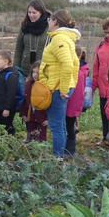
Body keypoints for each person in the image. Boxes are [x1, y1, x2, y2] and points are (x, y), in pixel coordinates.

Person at [39, 9, 80, 158]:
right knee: (60, 124)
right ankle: (60, 156)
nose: (48, 22)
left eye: (50, 20)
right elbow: (75, 64)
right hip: (59, 87)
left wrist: (63, 89)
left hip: (57, 89)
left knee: (56, 126)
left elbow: (68, 65)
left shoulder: (59, 39)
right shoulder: (65, 38)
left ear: (55, 21)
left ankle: (57, 159)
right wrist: (70, 85)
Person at [14, 0, 50, 77]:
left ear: (41, 12)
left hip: (43, 70)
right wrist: (15, 69)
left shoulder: (49, 27)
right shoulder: (25, 26)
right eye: (29, 12)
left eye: (34, 13)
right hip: (25, 70)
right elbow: (18, 49)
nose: (31, 15)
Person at [65, 50, 90, 157]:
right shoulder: (80, 71)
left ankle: (70, 150)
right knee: (69, 126)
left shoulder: (78, 73)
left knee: (69, 127)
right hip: (71, 104)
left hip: (71, 105)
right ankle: (68, 148)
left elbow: (78, 93)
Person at [0, 51, 19, 134]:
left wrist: (7, 108)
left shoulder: (11, 75)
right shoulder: (1, 73)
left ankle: (10, 140)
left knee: (6, 128)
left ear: (6, 61)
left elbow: (11, 93)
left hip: (5, 109)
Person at [20, 61, 48, 142]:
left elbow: (50, 104)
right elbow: (25, 100)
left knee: (41, 140)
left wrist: (48, 118)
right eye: (33, 72)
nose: (35, 75)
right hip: (30, 116)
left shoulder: (47, 86)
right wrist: (23, 114)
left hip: (42, 117)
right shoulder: (29, 84)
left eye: (38, 73)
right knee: (30, 138)